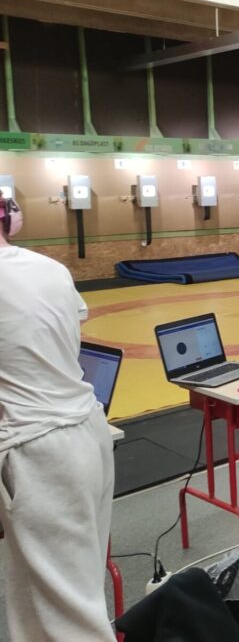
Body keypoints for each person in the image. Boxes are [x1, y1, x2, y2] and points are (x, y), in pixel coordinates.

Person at [0, 191, 116, 642]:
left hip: (39, 453)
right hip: (87, 432)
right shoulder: (49, 268)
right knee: (64, 595)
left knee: (69, 621)